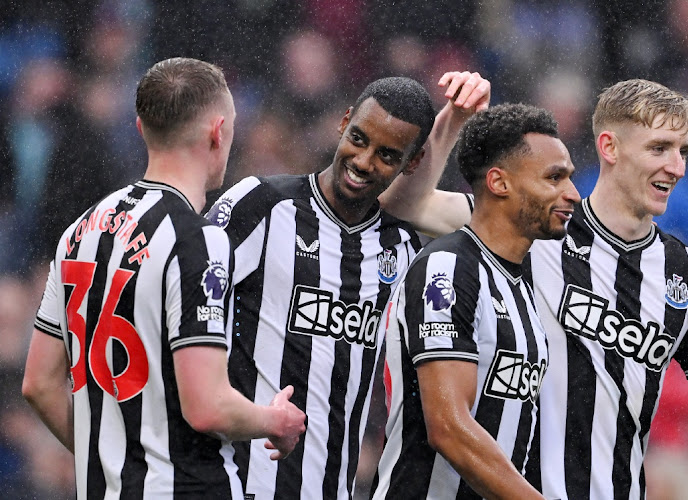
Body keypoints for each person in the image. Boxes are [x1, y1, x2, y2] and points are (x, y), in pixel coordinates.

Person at [381, 79, 688, 498]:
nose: (677, 166)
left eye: (683, 151)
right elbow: (404, 205)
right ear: (609, 148)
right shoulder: (534, 224)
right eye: (659, 148)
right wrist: (454, 121)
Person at [21, 57, 306, 499]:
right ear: (218, 132)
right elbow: (207, 406)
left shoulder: (80, 231)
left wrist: (108, 460)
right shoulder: (198, 240)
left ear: (140, 128)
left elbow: (38, 383)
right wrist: (277, 422)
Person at [205, 71, 491, 499]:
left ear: (410, 164)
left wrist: (454, 120)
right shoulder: (261, 204)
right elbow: (182, 302)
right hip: (237, 483)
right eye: (358, 138)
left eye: (387, 155)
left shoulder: (404, 244)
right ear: (343, 122)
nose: (363, 160)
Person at [372, 103, 579, 499]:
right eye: (554, 178)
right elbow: (448, 427)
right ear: (499, 183)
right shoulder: (448, 269)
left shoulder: (520, 282)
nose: (571, 194)